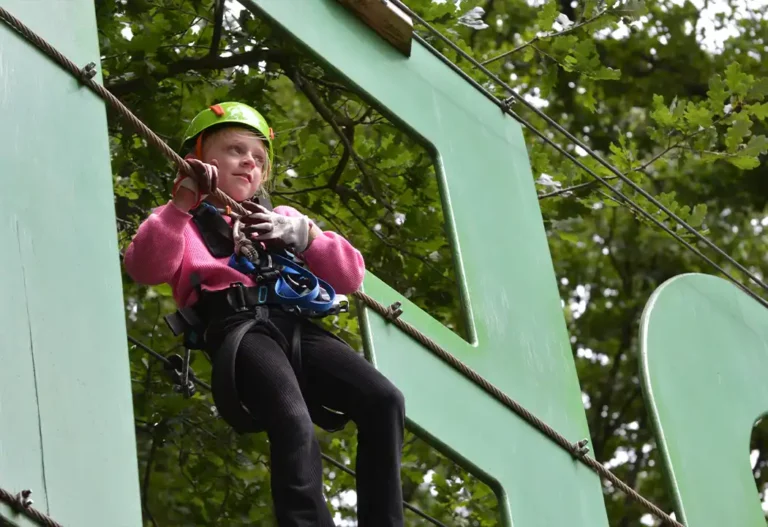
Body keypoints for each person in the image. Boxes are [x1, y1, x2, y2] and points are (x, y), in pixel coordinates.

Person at [124, 101, 405, 526]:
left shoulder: (282, 219)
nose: (249, 164)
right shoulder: (178, 221)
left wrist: (305, 236)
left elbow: (349, 276)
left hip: (294, 324)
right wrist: (181, 205)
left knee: (384, 400)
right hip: (239, 327)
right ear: (200, 158)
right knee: (293, 421)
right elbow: (144, 267)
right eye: (236, 150)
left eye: (258, 159)